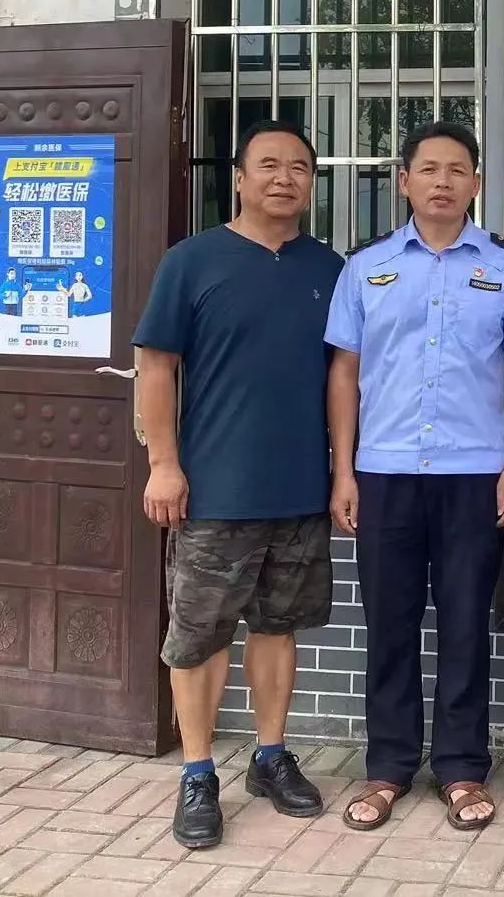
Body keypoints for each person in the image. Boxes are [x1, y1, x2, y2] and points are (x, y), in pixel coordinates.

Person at [133, 119, 343, 850]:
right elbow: (155, 367)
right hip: (214, 489)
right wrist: (164, 463)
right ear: (240, 178)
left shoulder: (329, 268)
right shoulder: (192, 261)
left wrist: (341, 473)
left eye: (299, 167)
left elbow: (344, 377)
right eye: (269, 165)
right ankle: (197, 774)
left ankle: (270, 756)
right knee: (199, 637)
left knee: (278, 629)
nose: (285, 178)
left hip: (300, 487)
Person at [325, 121, 504, 833]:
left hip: (474, 474)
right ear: (404, 180)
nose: (442, 182)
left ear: (476, 183)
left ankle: (461, 768)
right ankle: (387, 767)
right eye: (428, 169)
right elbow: (345, 372)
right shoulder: (366, 268)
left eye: (457, 170)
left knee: (465, 624)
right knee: (388, 624)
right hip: (384, 472)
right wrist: (344, 470)